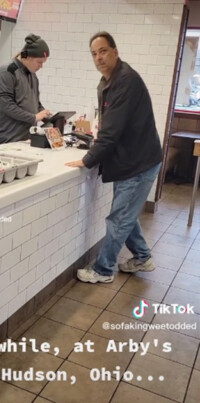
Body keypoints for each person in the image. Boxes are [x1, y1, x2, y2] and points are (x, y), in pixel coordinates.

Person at [66, 32, 163, 284]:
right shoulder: (107, 81)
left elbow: (112, 132)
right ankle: (142, 257)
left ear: (115, 52)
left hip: (138, 162)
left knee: (119, 218)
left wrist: (87, 160)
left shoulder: (125, 81)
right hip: (132, 160)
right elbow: (108, 125)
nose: (99, 57)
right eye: (94, 53)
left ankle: (103, 269)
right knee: (126, 214)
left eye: (103, 51)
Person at [0, 34, 53, 145]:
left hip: (26, 138)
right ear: (28, 57)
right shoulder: (7, 72)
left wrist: (47, 116)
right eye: (39, 62)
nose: (41, 66)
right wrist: (34, 117)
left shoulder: (32, 75)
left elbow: (35, 103)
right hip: (8, 138)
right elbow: (6, 105)